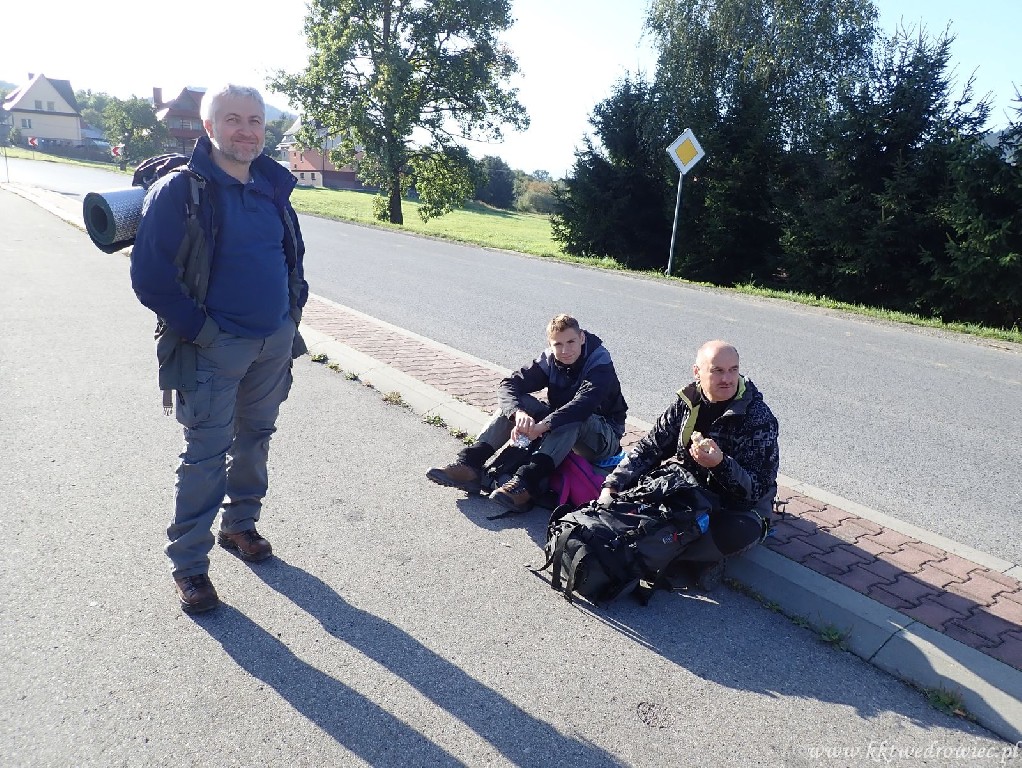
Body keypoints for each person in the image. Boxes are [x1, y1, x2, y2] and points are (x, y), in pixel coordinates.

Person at [130, 84, 309, 614]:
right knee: (205, 455)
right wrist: (204, 332)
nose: (246, 130)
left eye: (255, 120)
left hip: (273, 342)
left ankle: (240, 524)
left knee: (255, 437)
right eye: (233, 119)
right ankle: (189, 565)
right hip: (212, 347)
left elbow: (290, 257)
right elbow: (150, 279)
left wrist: (291, 315)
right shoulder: (180, 191)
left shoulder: (273, 186)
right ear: (209, 127)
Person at [597, 340, 779, 590]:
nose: (727, 379)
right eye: (717, 370)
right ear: (697, 372)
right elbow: (650, 447)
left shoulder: (758, 418)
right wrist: (613, 484)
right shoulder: (687, 402)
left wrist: (721, 465)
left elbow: (757, 488)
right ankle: (676, 557)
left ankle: (681, 557)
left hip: (736, 507)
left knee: (738, 532)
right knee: (640, 499)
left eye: (733, 370)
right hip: (689, 492)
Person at [427, 314, 628, 513]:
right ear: (550, 344)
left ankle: (526, 485)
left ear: (581, 337)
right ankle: (470, 464)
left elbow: (583, 405)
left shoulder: (600, 361)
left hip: (603, 437)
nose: (565, 351)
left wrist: (541, 427)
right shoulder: (550, 359)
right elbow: (509, 384)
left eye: (571, 342)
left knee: (574, 419)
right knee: (521, 402)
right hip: (560, 424)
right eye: (558, 344)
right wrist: (518, 414)